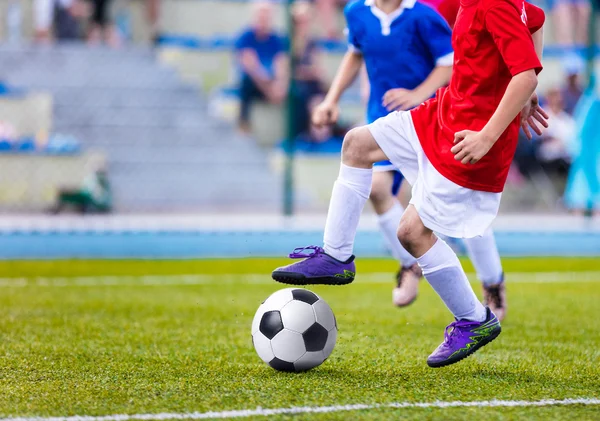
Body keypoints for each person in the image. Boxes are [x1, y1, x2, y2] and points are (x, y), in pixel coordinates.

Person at [272, 0, 547, 367]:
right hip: (439, 116)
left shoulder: (491, 3)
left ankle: (474, 319)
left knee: (411, 233)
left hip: (467, 141)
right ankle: (336, 256)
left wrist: (487, 135)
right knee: (356, 144)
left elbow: (525, 73)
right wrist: (528, 92)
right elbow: (537, 20)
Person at [311, 0, 508, 317]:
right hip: (384, 117)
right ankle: (409, 266)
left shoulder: (424, 16)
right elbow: (355, 52)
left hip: (432, 122)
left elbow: (451, 64)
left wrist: (418, 94)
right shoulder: (356, 13)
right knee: (376, 186)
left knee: (458, 210)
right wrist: (331, 99)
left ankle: (492, 284)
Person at [234, 1, 288, 134]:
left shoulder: (276, 39)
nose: (263, 18)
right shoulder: (245, 38)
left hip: (272, 83)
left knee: (298, 92)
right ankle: (243, 123)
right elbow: (251, 67)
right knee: (246, 83)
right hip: (257, 83)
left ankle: (297, 133)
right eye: (261, 14)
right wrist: (269, 88)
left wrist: (280, 85)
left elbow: (281, 64)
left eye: (266, 14)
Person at [290, 2, 327, 138]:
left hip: (312, 85)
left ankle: (319, 133)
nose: (303, 25)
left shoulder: (312, 42)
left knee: (321, 95)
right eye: (300, 22)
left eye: (306, 21)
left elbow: (318, 69)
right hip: (298, 86)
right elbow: (289, 71)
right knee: (302, 95)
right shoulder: (289, 42)